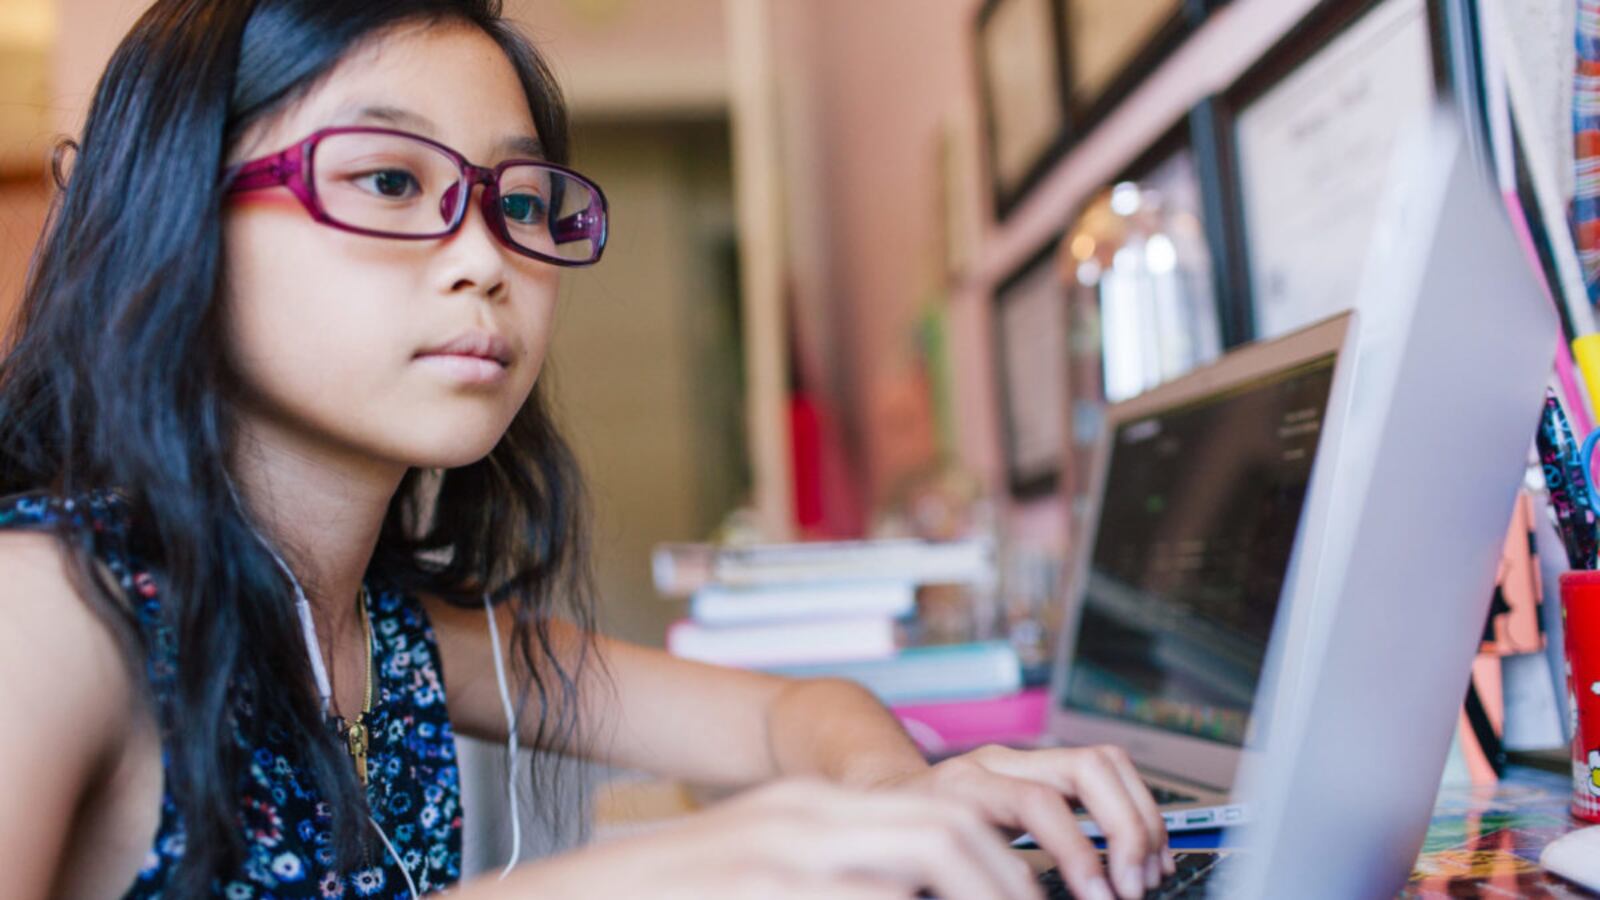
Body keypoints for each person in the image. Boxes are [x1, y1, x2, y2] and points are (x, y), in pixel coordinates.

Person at [0, 1, 1171, 897]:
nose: (484, 258)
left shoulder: (395, 635)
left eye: (517, 202)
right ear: (170, 215)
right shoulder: (52, 610)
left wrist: (894, 802)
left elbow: (784, 714)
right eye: (390, 180)